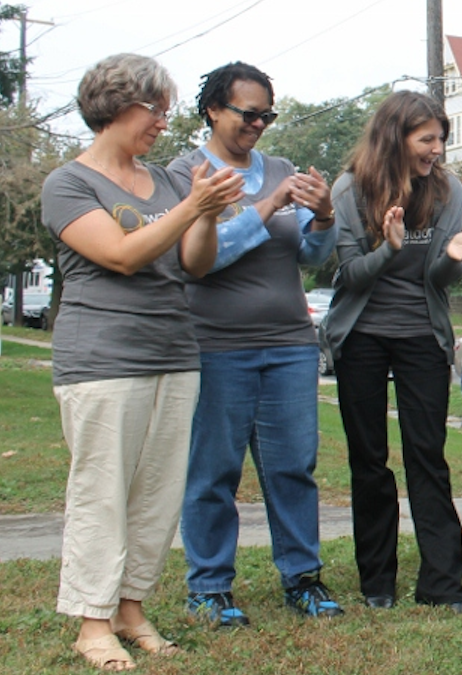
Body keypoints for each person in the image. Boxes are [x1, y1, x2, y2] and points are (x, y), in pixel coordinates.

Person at [41, 53, 243, 671]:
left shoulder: (167, 180)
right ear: (117, 105)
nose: (162, 122)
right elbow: (123, 255)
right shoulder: (67, 184)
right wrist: (192, 204)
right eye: (154, 109)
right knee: (101, 493)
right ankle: (92, 623)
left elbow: (196, 263)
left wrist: (204, 213)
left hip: (174, 354)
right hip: (101, 357)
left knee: (155, 496)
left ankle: (131, 609)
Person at [169, 62, 342, 628]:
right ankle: (210, 587)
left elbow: (310, 259)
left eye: (268, 114)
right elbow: (202, 260)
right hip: (216, 345)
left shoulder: (283, 169)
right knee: (214, 470)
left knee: (293, 467)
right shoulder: (185, 174)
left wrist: (323, 215)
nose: (259, 124)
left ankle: (303, 579)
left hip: (290, 343)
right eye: (248, 113)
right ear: (214, 110)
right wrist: (266, 206)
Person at [323, 90, 462, 617]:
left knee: (426, 457)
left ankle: (443, 585)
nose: (437, 148)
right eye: (427, 139)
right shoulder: (349, 189)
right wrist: (387, 249)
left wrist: (454, 258)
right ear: (396, 138)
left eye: (441, 138)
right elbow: (347, 276)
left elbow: (436, 277)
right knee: (369, 460)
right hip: (363, 336)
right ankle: (378, 582)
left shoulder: (447, 191)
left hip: (421, 335)